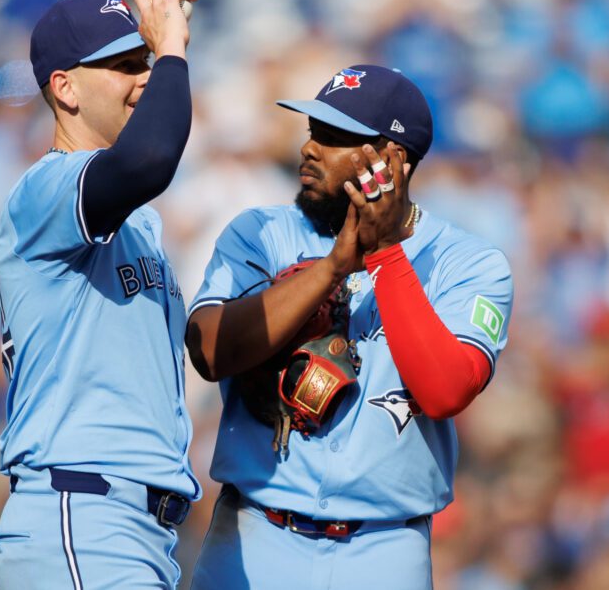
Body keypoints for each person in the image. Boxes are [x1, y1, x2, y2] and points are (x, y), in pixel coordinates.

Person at [185, 65, 514, 589]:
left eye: (335, 138)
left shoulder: (469, 263)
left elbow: (446, 391)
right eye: (313, 131)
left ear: (390, 160)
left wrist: (384, 254)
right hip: (254, 535)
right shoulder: (261, 232)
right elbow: (207, 351)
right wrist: (331, 269)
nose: (310, 148)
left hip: (383, 551)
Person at [0, 0, 201, 590]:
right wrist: (172, 53)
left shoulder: (142, 223)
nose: (143, 77)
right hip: (80, 511)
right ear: (65, 87)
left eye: (144, 60)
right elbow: (148, 159)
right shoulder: (45, 189)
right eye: (122, 65)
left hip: (133, 529)